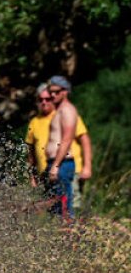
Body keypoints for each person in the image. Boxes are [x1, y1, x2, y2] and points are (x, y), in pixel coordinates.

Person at [45, 75, 80, 221]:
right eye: (51, 91)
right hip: (57, 163)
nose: (52, 95)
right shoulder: (59, 111)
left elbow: (67, 139)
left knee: (64, 206)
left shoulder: (67, 110)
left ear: (65, 92)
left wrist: (56, 165)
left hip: (62, 164)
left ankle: (68, 236)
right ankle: (61, 236)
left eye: (56, 91)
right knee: (56, 206)